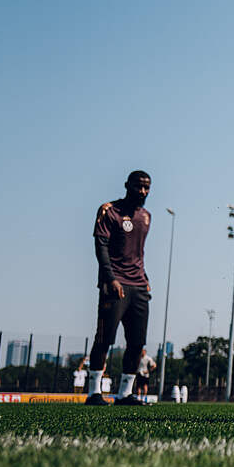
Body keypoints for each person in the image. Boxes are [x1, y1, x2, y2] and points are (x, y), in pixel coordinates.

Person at [87, 170, 154, 406]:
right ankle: (94, 392)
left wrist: (144, 278)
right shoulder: (109, 210)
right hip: (114, 284)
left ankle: (125, 394)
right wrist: (110, 278)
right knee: (104, 339)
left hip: (138, 287)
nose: (143, 192)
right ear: (127, 186)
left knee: (137, 343)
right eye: (139, 187)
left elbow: (138, 252)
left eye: (147, 187)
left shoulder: (146, 216)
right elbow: (101, 245)